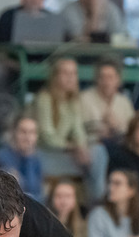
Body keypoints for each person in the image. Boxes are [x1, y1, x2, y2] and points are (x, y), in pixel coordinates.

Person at [34, 58, 108, 202]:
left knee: (98, 152)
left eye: (74, 73)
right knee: (96, 159)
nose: (70, 77)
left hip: (63, 155)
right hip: (43, 156)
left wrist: (82, 148)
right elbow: (48, 137)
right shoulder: (44, 98)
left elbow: (78, 131)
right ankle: (98, 203)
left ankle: (96, 203)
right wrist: (72, 147)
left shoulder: (72, 101)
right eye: (65, 73)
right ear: (55, 76)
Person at [80, 57, 136, 150]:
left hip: (120, 149)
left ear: (118, 80)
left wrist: (117, 126)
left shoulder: (124, 102)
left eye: (110, 77)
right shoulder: (83, 98)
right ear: (97, 79)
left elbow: (132, 132)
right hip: (91, 148)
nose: (106, 82)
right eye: (103, 77)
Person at [61, 0, 125, 43]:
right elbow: (79, 41)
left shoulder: (112, 10)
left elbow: (119, 39)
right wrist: (95, 15)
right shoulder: (70, 10)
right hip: (78, 53)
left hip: (106, 53)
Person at [0, 115, 43, 203]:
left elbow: (36, 191)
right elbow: (19, 190)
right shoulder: (2, 157)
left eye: (32, 132)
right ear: (14, 133)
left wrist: (28, 157)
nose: (27, 137)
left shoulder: (37, 159)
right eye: (23, 132)